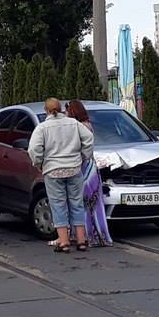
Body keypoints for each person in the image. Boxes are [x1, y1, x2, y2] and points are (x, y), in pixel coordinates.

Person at [28, 97, 95, 253]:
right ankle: (81, 241)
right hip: (74, 168)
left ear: (46, 111)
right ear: (62, 109)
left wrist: (39, 163)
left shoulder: (42, 128)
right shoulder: (74, 124)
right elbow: (89, 139)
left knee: (58, 205)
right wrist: (83, 157)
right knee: (76, 204)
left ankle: (64, 242)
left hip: (53, 171)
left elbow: (33, 149)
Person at [66, 99, 112, 247]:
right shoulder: (88, 125)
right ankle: (97, 234)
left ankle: (85, 235)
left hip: (83, 168)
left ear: (72, 111)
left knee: (82, 203)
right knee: (94, 204)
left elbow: (77, 148)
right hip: (91, 168)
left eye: (67, 111)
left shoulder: (78, 127)